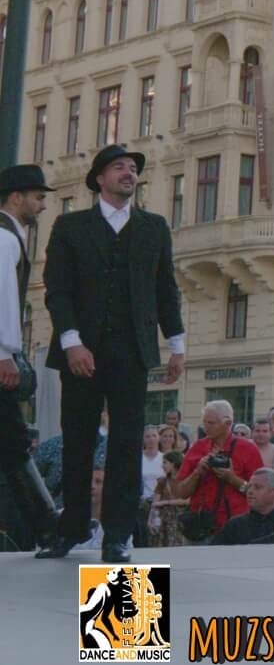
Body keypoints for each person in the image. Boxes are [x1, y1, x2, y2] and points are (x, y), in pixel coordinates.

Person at [36, 147, 187, 563]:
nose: (129, 173)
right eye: (120, 167)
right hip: (80, 350)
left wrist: (176, 345)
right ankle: (70, 530)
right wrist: (72, 342)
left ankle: (117, 536)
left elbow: (165, 290)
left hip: (132, 350)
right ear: (99, 178)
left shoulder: (154, 227)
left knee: (125, 444)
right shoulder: (70, 226)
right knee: (78, 441)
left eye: (134, 169)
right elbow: (58, 289)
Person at [0, 164, 59, 551]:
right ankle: (47, 524)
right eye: (38, 197)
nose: (41, 205)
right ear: (16, 197)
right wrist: (5, 353)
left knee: (13, 442)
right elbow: (2, 296)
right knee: (15, 442)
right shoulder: (5, 238)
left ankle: (46, 524)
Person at [175, 400, 263, 540]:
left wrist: (232, 478)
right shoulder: (198, 447)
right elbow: (180, 492)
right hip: (202, 527)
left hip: (236, 527)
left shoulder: (248, 449)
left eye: (211, 423)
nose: (205, 427)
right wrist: (197, 472)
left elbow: (261, 494)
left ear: (227, 423)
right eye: (204, 422)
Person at [211, 469, 274, 545]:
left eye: (257, 487)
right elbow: (214, 554)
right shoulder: (235, 525)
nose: (250, 491)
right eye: (249, 486)